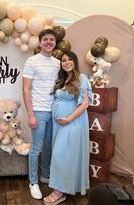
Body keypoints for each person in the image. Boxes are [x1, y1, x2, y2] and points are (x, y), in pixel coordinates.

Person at [43, 51, 93, 205]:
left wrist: (69, 119)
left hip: (73, 122)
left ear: (75, 61)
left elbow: (85, 103)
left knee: (61, 156)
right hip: (60, 124)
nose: (66, 62)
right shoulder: (62, 79)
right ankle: (65, 187)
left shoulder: (81, 78)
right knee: (66, 156)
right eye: (64, 60)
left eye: (70, 59)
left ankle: (58, 192)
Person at [22, 28, 60, 200]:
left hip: (54, 111)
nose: (49, 42)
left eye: (52, 39)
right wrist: (31, 114)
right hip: (38, 110)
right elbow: (26, 88)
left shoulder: (58, 63)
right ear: (40, 42)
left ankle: (45, 175)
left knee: (49, 146)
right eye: (45, 39)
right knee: (36, 148)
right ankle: (33, 182)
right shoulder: (32, 61)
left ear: (55, 42)